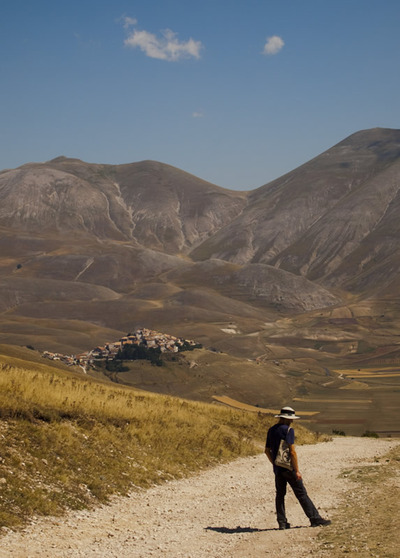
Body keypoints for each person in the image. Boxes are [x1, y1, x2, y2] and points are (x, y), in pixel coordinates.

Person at [265, 406, 331, 530]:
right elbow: (292, 452)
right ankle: (315, 518)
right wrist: (296, 470)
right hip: (289, 468)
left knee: (280, 495)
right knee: (301, 494)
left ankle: (282, 522)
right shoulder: (289, 430)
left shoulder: (271, 430)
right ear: (289, 419)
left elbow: (267, 450)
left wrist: (274, 463)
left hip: (278, 469)